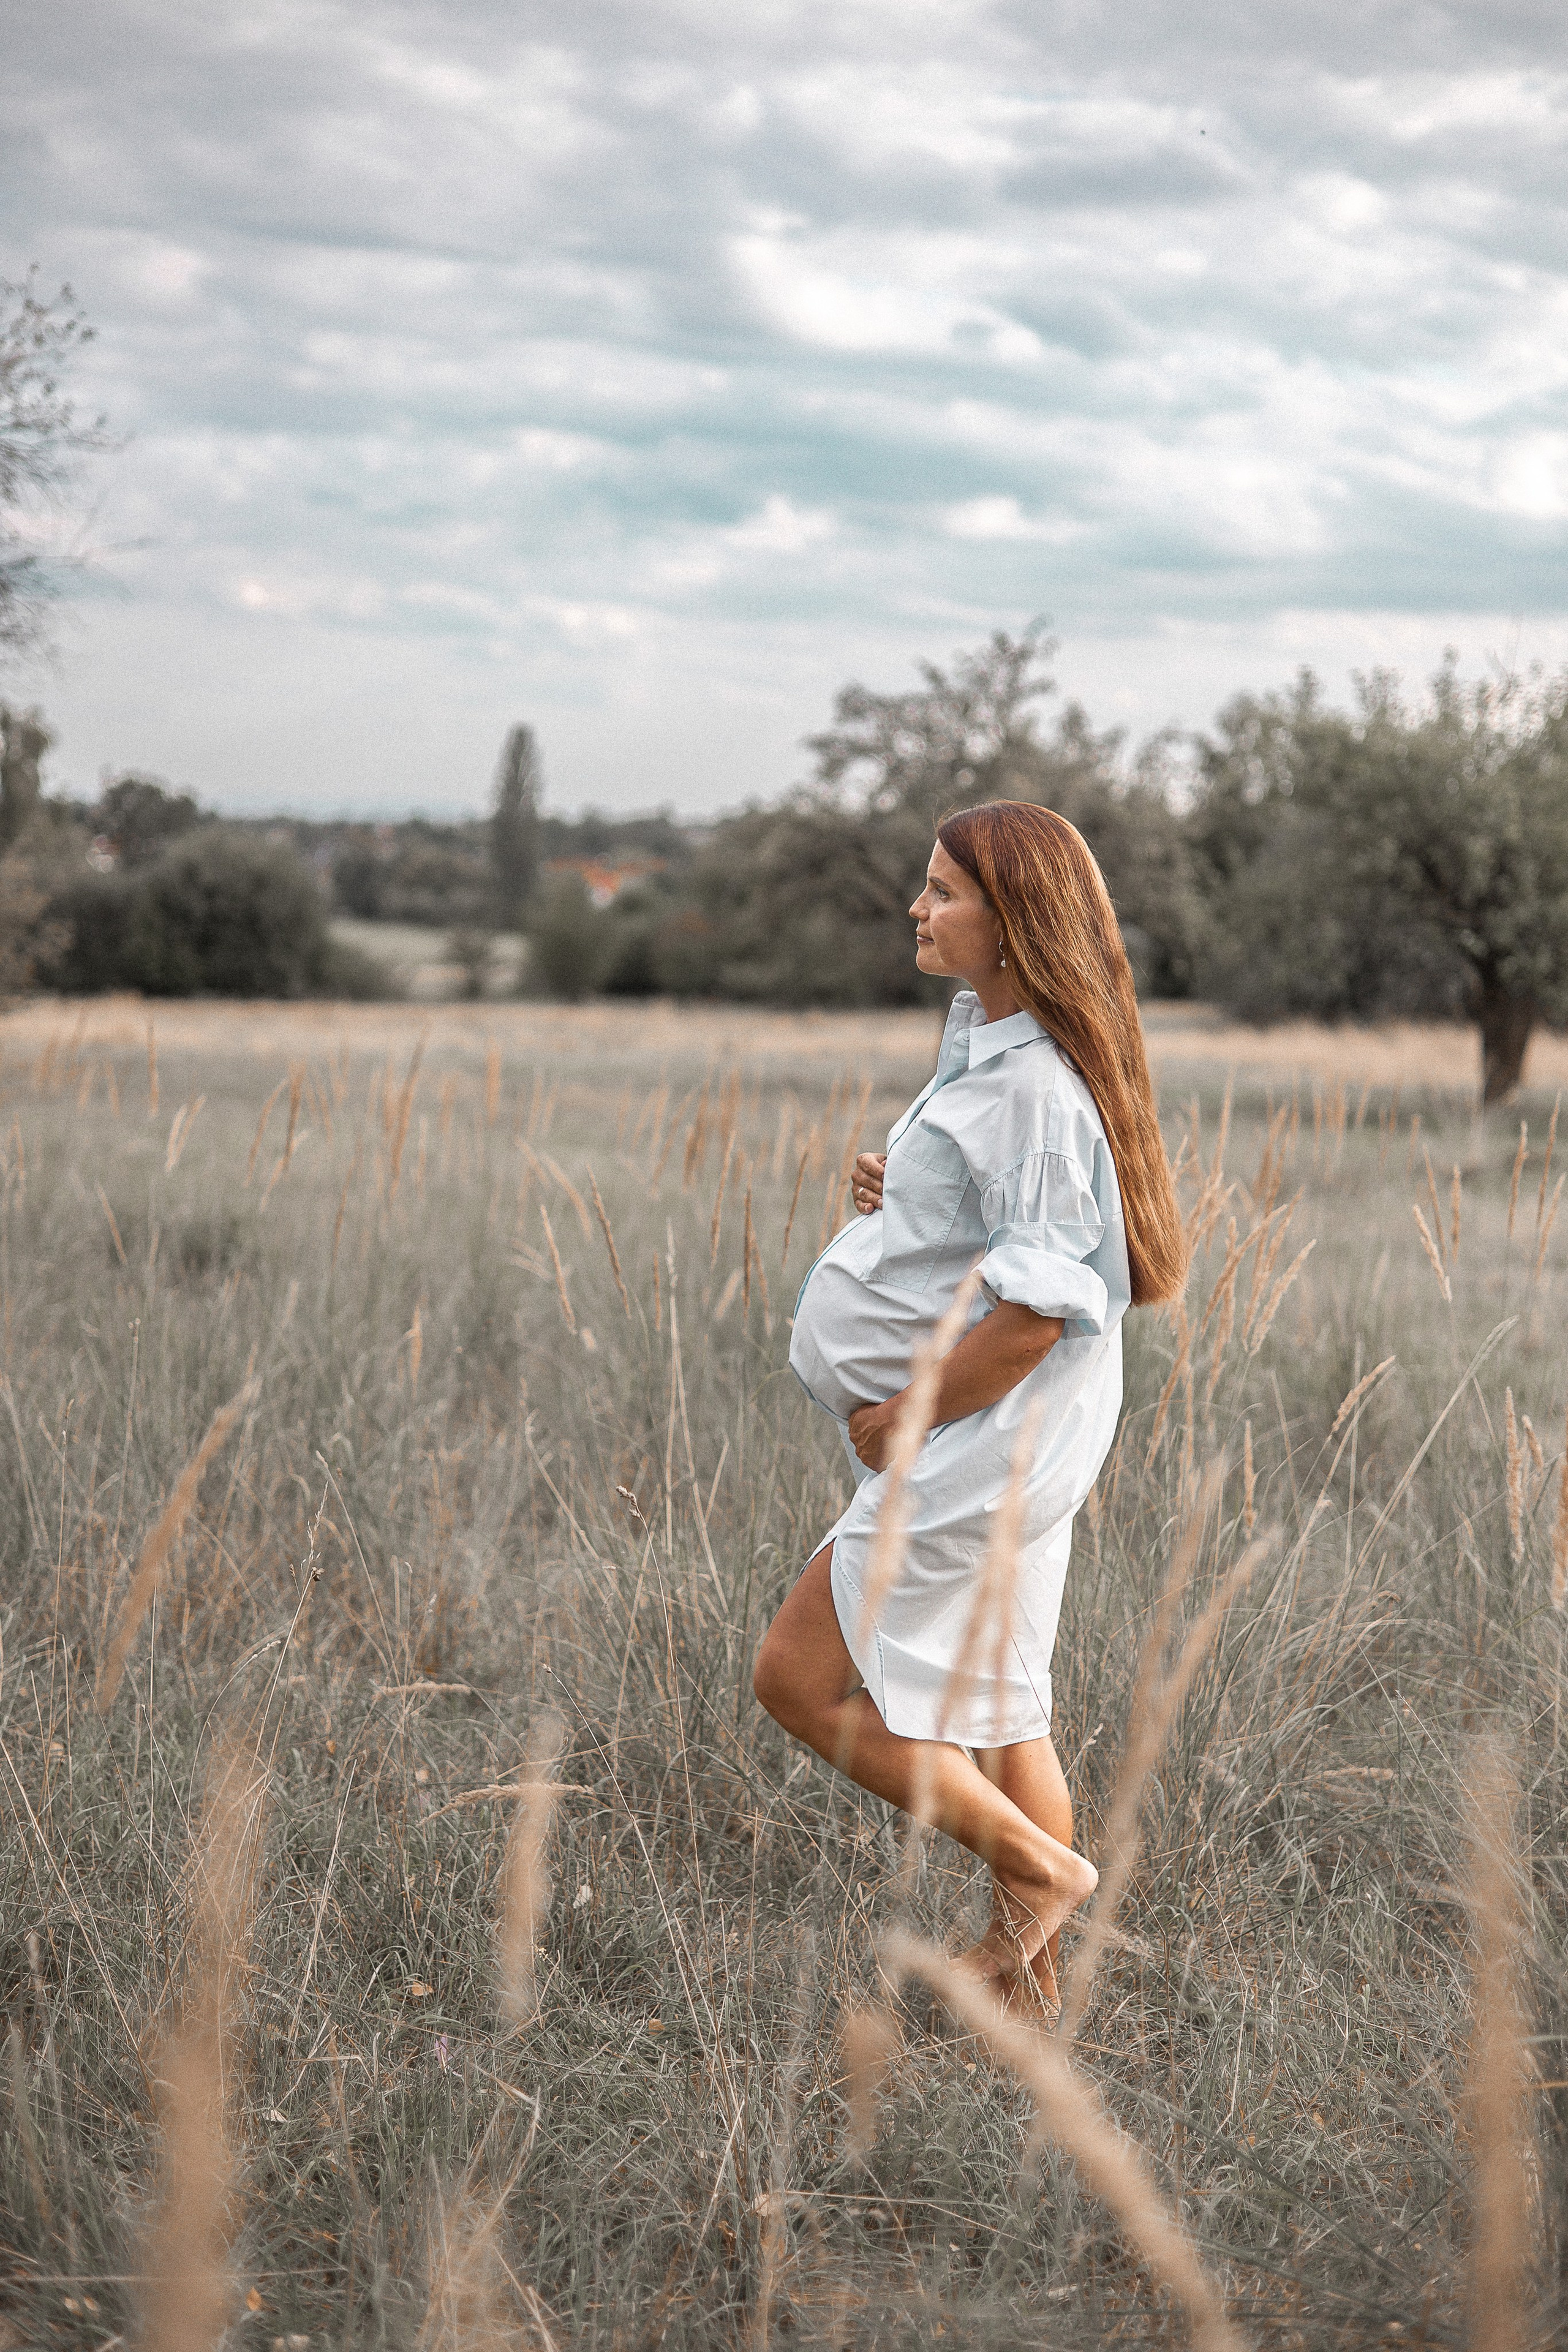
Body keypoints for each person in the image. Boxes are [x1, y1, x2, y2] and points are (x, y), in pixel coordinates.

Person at [752, 801, 1186, 2002]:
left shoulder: (1032, 1088)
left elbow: (1037, 1311)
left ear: (1012, 921)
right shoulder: (996, 1055)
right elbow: (1013, 1236)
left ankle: (1038, 1869)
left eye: (942, 889)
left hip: (982, 1441)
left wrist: (903, 1419)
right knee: (1003, 1716)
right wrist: (905, 1195)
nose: (916, 906)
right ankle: (1030, 2034)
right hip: (1000, 1438)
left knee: (794, 1680)